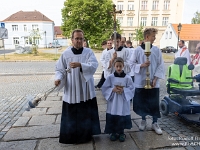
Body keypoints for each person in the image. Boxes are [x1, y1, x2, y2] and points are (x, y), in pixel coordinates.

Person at [54, 29, 101, 144]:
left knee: (85, 114)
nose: (79, 41)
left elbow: (94, 65)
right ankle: (70, 136)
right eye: (77, 38)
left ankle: (85, 136)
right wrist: (58, 78)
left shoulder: (88, 52)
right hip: (72, 89)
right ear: (72, 40)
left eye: (81, 38)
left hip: (85, 89)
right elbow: (60, 69)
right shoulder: (66, 54)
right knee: (72, 114)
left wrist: (81, 65)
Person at [129, 28, 165, 135]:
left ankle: (155, 122)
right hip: (141, 82)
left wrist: (155, 78)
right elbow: (130, 65)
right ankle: (143, 120)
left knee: (154, 103)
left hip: (153, 83)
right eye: (153, 36)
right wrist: (141, 65)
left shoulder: (157, 50)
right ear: (147, 37)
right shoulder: (137, 50)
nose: (154, 38)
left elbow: (160, 65)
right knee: (142, 103)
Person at [101, 57, 134, 142]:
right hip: (113, 101)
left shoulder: (127, 78)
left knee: (121, 117)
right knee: (113, 116)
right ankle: (113, 132)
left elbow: (132, 89)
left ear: (123, 66)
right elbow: (104, 88)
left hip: (123, 101)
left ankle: (121, 132)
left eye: (120, 66)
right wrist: (112, 89)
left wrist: (124, 90)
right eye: (117, 66)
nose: (119, 68)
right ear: (114, 66)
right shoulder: (110, 77)